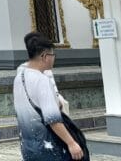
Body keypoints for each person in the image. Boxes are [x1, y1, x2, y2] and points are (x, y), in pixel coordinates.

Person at [14, 32, 83, 161]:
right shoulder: (42, 80)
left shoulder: (19, 77)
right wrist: (71, 143)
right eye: (52, 55)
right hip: (48, 147)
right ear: (45, 56)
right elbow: (53, 119)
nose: (54, 58)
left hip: (28, 146)